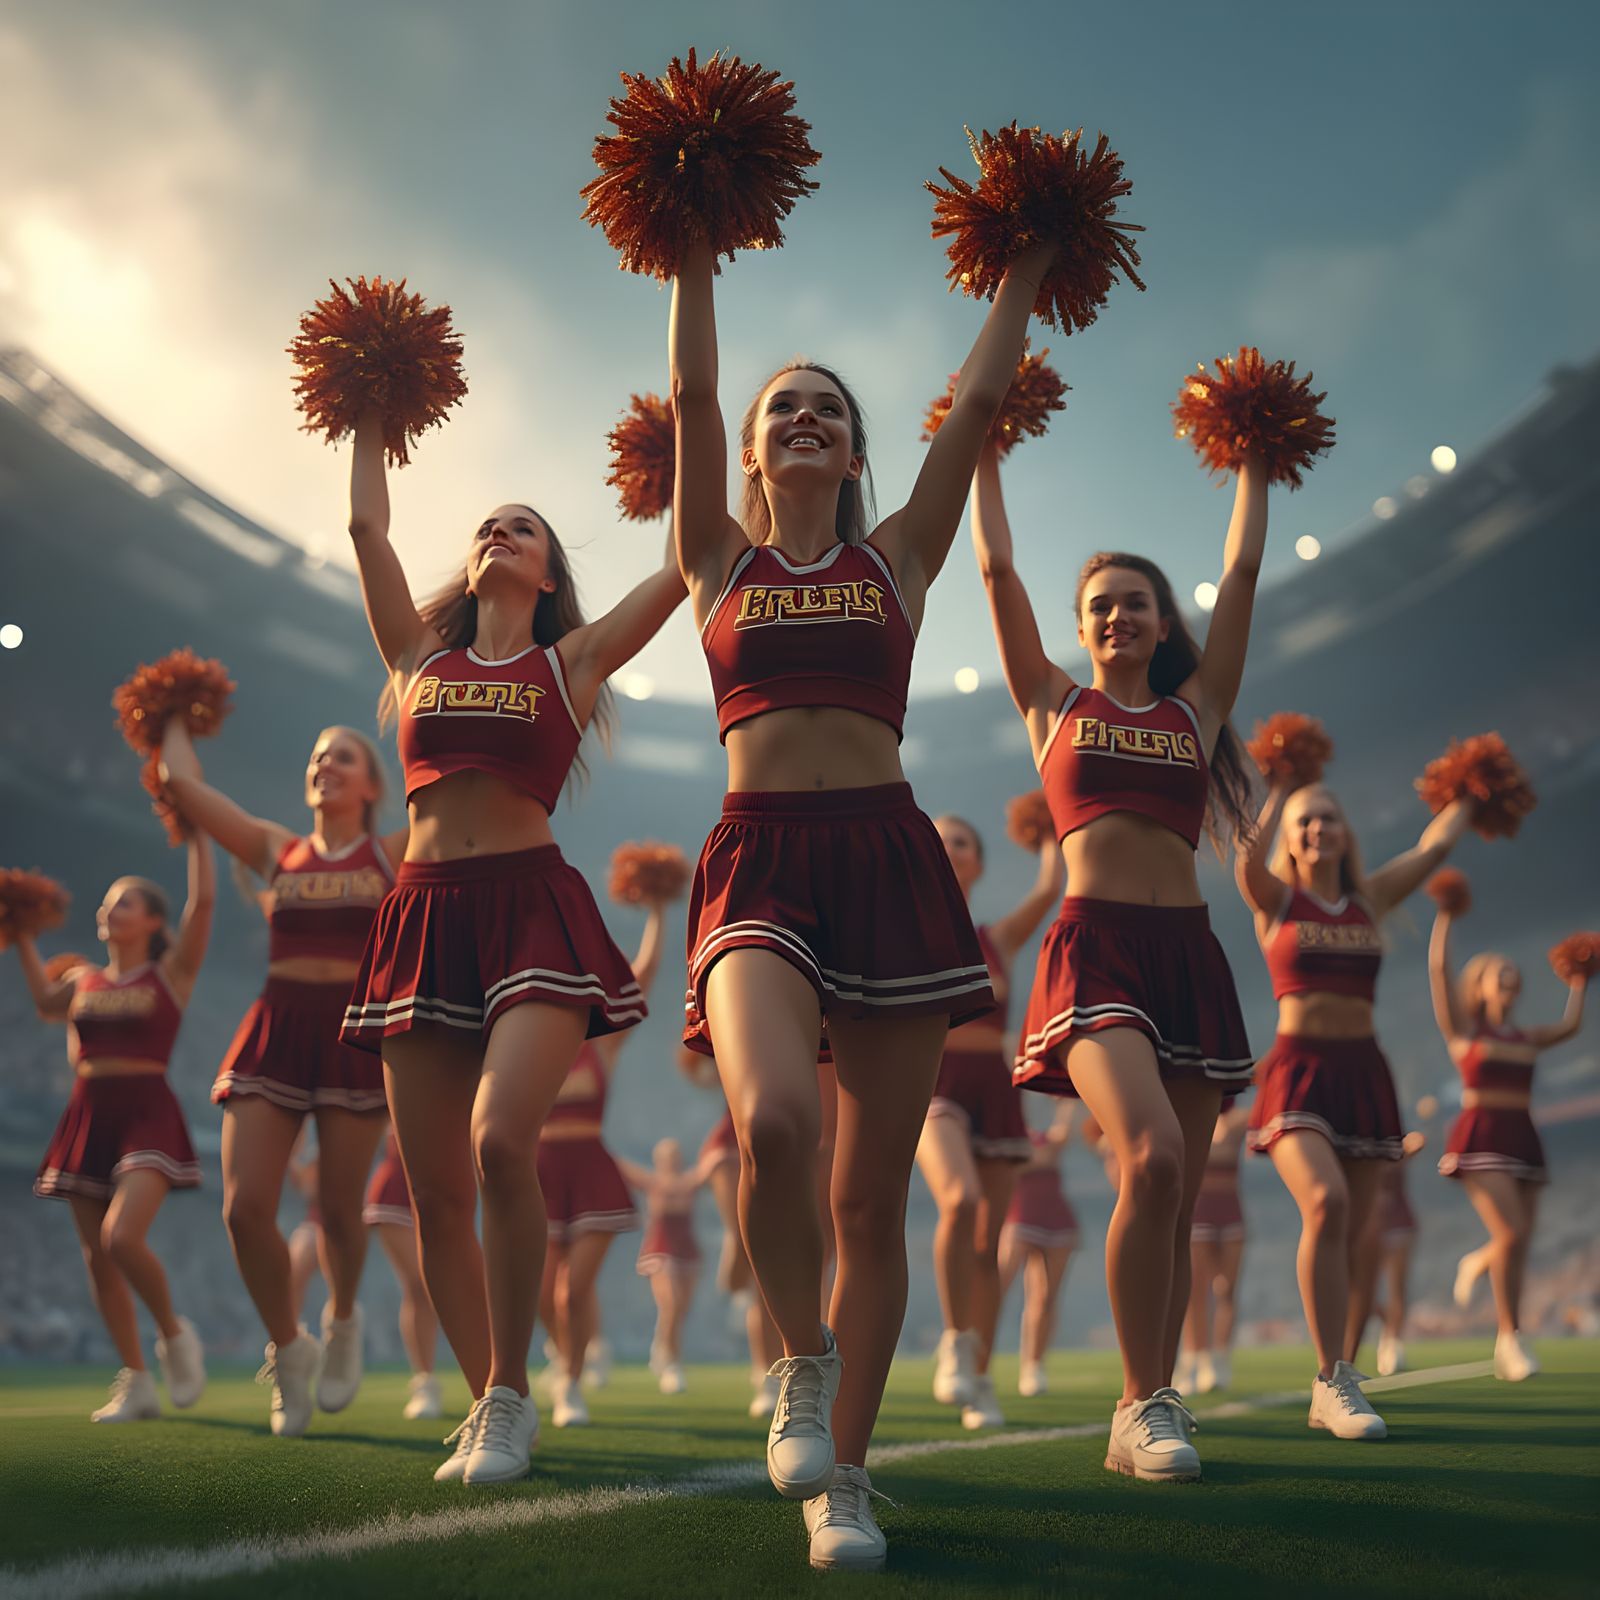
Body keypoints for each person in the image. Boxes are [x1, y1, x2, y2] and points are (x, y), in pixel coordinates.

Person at [671, 225, 1055, 1568]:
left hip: (886, 857)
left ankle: (847, 1479)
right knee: (774, 1120)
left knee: (865, 1203)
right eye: (788, 408)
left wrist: (1026, 262)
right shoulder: (713, 557)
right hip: (760, 856)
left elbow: (984, 403)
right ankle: (801, 1364)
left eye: (831, 409)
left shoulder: (899, 555)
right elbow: (695, 399)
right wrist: (692, 247)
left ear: (854, 448)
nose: (808, 419)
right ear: (756, 448)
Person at [335, 404, 687, 1485]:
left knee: (498, 1144)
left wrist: (713, 462)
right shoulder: (414, 656)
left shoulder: (571, 661)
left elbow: (682, 568)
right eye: (490, 523)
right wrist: (365, 401)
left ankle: (508, 1395)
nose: (501, 532)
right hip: (426, 914)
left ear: (547, 575)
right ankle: (497, 1396)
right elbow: (364, 532)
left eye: (524, 528)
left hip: (531, 905)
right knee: (434, 1183)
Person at [973, 421, 1265, 1483]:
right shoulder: (1053, 705)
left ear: (1157, 621)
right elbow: (997, 567)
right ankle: (1142, 1401)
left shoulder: (1198, 709)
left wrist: (1254, 462)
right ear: (1083, 627)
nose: (1116, 614)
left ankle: (1149, 1400)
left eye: (1134, 600)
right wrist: (985, 453)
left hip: (1187, 953)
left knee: (1175, 1194)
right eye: (1098, 604)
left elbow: (1239, 570)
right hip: (1094, 952)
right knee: (1149, 1152)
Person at [160, 717, 405, 1433]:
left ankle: (344, 1318)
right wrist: (169, 712)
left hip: (352, 1036)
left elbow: (452, 798)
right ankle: (289, 1346)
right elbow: (183, 786)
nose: (325, 764)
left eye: (343, 757)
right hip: (276, 1027)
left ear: (370, 784)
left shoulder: (393, 850)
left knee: (336, 1206)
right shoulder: (278, 847)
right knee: (244, 1208)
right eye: (317, 756)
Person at [1238, 778, 1472, 1438]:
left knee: (1362, 1234)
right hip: (1297, 1071)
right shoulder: (1279, 899)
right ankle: (1330, 1377)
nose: (1318, 830)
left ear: (1346, 832)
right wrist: (1283, 782)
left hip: (1364, 1070)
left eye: (1328, 819)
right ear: (1290, 835)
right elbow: (1245, 865)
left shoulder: (1370, 898)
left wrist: (1474, 790)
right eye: (1305, 822)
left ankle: (1344, 1368)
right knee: (1326, 1202)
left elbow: (1434, 846)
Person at [15, 836, 214, 1421]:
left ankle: (176, 1336)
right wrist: (20, 928)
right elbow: (45, 1003)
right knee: (96, 1258)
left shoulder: (170, 973)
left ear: (153, 921)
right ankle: (137, 1380)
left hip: (146, 1107)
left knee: (120, 1238)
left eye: (125, 903)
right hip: (87, 1109)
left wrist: (199, 834)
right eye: (107, 904)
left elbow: (200, 909)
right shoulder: (83, 980)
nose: (110, 910)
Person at [920, 814, 1061, 1429]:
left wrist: (1051, 827)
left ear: (976, 862)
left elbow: (1050, 889)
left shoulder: (996, 939)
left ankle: (980, 1377)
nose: (950, 849)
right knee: (961, 1202)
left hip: (995, 1093)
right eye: (940, 840)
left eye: (962, 841)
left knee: (989, 1243)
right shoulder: (905, 930)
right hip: (933, 1087)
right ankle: (954, 1341)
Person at [1428, 905, 1588, 1380]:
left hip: (1523, 1134)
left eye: (1513, 973)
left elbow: (1570, 1028)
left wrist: (1579, 981)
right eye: (1500, 972)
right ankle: (1487, 1278)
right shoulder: (1464, 1031)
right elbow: (1439, 970)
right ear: (1479, 985)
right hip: (1481, 1137)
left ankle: (1509, 1338)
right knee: (1512, 1233)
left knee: (1519, 1243)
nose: (1509, 978)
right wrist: (1446, 915)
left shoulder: (1526, 1035)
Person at [536, 900, 669, 1427]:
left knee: (574, 1288)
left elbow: (644, 977)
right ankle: (570, 1349)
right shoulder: (525, 1044)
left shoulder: (602, 1045)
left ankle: (569, 1384)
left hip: (591, 1166)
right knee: (542, 1295)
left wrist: (658, 911)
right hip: (540, 1169)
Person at [680, 1045, 784, 1417]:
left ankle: (800, 1369)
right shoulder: (739, 1037)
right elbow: (693, 1064)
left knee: (786, 1264)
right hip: (734, 1142)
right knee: (757, 1265)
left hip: (792, 1141)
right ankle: (765, 1375)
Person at [621, 1137, 715, 1394]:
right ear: (658, 1160)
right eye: (666, 1156)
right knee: (671, 1304)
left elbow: (712, 1166)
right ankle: (673, 1365)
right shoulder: (652, 1183)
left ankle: (662, 1345)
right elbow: (622, 1169)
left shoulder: (689, 1183)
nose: (671, 1160)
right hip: (660, 1253)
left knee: (679, 1311)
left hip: (688, 1253)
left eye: (675, 1155)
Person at [998, 1102, 1079, 1397]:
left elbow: (1059, 1141)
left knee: (1045, 1297)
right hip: (1020, 1218)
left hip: (1055, 1217)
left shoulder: (1045, 1139)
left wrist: (1069, 1100)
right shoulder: (1007, 1139)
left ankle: (1033, 1365)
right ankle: (975, 1358)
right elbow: (1035, 1159)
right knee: (998, 1287)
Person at [362, 1127, 443, 1419]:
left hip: (450, 1179)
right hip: (397, 1183)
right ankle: (425, 1382)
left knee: (454, 1288)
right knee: (419, 1286)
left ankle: (494, 1385)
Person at [1178, 1103, 1250, 1393]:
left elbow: (1227, 1139)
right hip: (1199, 1213)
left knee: (1227, 1289)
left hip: (1231, 1211)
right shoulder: (1189, 1118)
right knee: (1197, 1290)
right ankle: (1195, 1357)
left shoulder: (1236, 1121)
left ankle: (1219, 1357)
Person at [1348, 1128, 1425, 1376]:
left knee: (1397, 1288)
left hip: (1399, 1221)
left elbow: (1416, 1143)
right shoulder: (1355, 1146)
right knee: (1364, 1292)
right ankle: (1386, 1327)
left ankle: (1392, 1344)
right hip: (1369, 1223)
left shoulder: (1393, 1145)